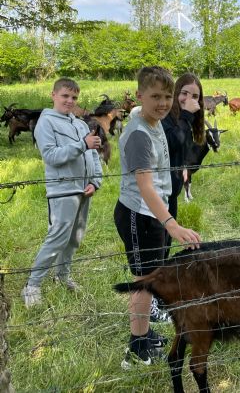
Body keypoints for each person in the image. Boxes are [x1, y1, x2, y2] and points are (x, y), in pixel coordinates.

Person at [114, 66, 201, 368]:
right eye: (155, 97)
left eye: (167, 96)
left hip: (153, 213)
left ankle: (144, 332)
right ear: (140, 95)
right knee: (144, 282)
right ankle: (137, 347)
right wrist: (171, 224)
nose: (163, 103)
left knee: (151, 276)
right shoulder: (140, 134)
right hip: (140, 215)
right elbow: (145, 186)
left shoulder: (155, 121)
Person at [21, 78, 103, 307]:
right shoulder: (46, 122)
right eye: (65, 96)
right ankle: (32, 285)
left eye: (74, 97)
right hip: (62, 190)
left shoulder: (80, 124)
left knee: (75, 238)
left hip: (84, 189)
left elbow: (93, 154)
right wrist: (82, 145)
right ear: (53, 95)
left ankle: (62, 276)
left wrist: (95, 181)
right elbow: (51, 156)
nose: (70, 101)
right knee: (57, 238)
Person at [161, 72, 205, 220]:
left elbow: (184, 145)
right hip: (156, 195)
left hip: (171, 192)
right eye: (184, 93)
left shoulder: (184, 118)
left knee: (169, 232)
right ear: (176, 93)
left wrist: (184, 164)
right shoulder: (165, 116)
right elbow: (169, 143)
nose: (188, 100)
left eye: (195, 96)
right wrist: (186, 115)